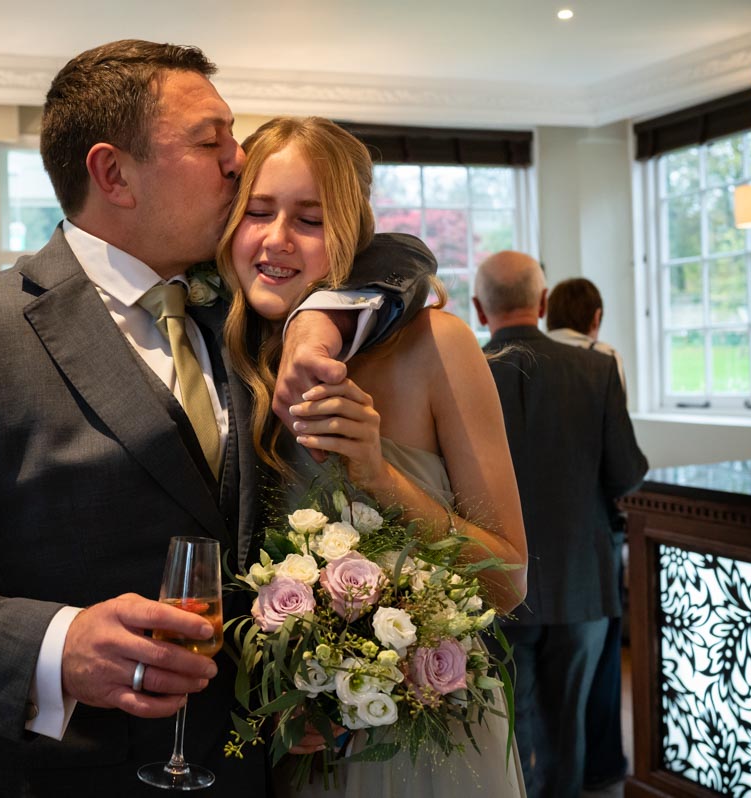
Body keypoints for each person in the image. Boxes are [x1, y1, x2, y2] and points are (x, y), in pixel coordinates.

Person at [0, 41, 418, 797]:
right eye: (211, 139)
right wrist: (56, 646)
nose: (239, 159)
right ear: (113, 173)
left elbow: (395, 252)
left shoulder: (245, 307)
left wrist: (322, 318)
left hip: (256, 770)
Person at [216, 115, 529, 797]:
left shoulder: (437, 346)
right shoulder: (227, 355)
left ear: (353, 236)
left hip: (429, 735)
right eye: (258, 212)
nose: (276, 239)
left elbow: (509, 580)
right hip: (295, 746)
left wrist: (377, 474)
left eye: (310, 219)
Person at [474, 252, 648, 798]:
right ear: (544, 304)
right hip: (582, 579)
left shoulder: (464, 374)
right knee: (567, 723)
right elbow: (626, 473)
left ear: (480, 309)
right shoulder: (596, 369)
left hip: (492, 581)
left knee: (506, 727)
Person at [546, 276, 630, 790]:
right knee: (596, 661)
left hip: (537, 529)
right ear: (595, 317)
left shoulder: (516, 357)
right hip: (587, 528)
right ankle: (599, 769)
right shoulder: (602, 358)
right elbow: (618, 456)